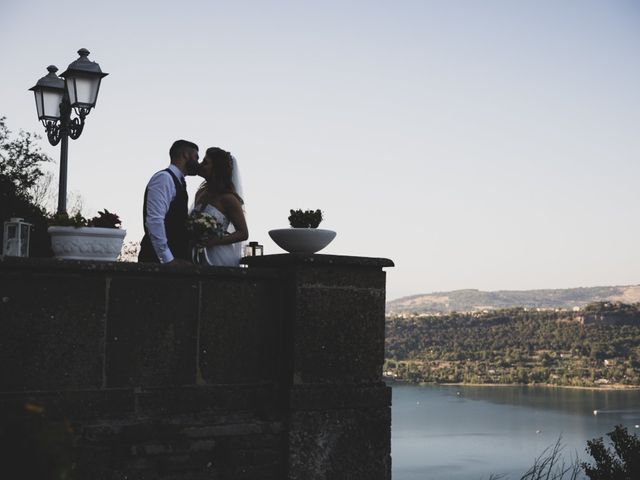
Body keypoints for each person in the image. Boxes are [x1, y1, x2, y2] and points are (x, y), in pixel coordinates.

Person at [138, 140, 199, 264]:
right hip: (156, 261)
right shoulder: (164, 178)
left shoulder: (179, 182)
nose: (198, 163)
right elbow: (155, 220)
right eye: (196, 157)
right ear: (185, 155)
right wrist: (168, 259)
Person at [192, 147, 248, 266]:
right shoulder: (200, 193)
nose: (200, 165)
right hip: (197, 253)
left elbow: (243, 233)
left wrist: (215, 241)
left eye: (205, 163)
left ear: (217, 168)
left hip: (218, 256)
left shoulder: (228, 198)